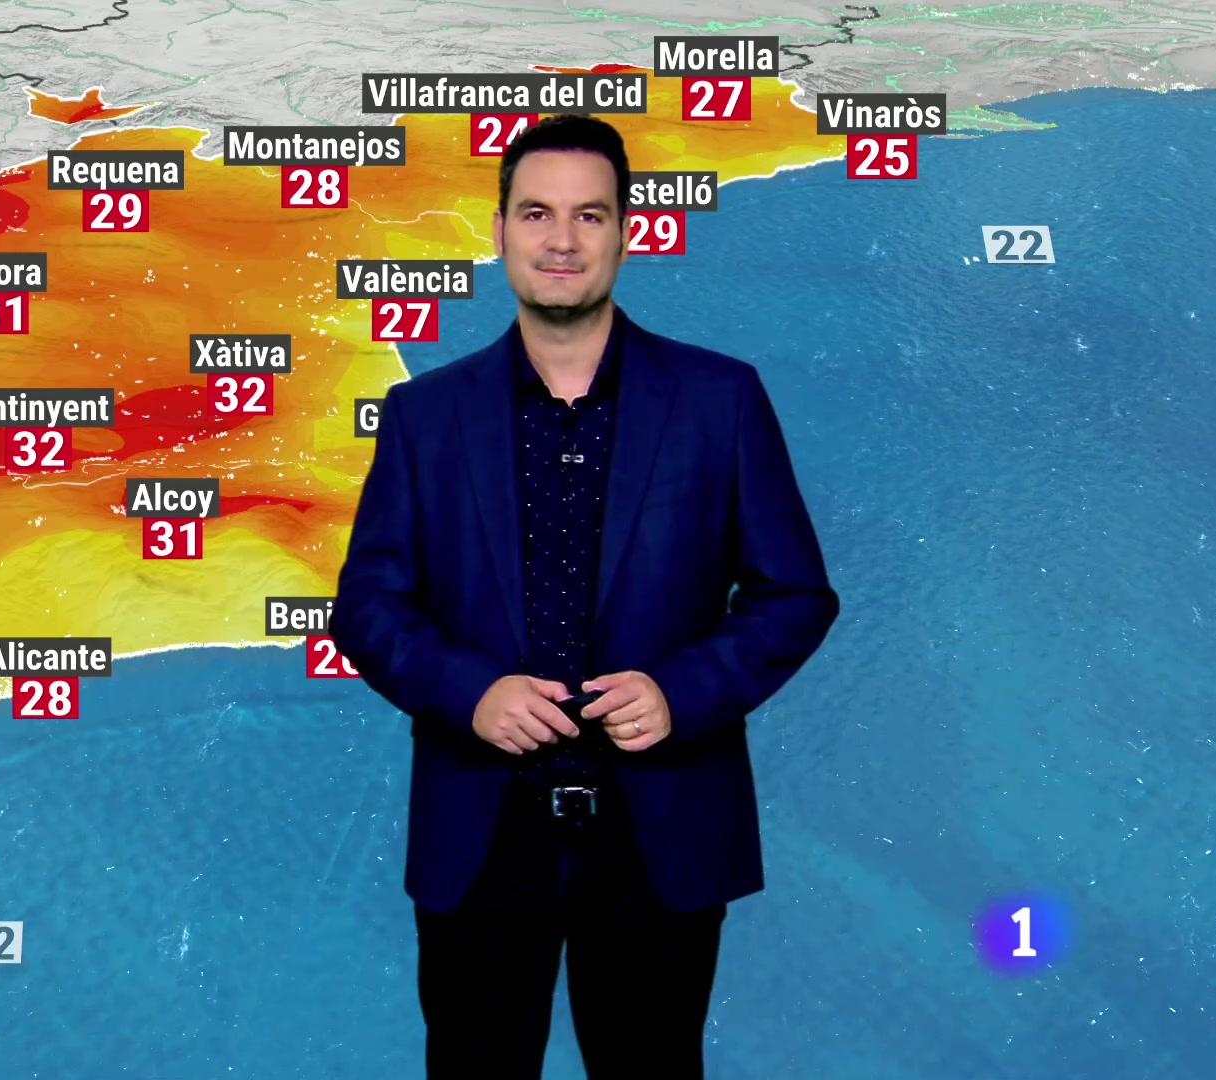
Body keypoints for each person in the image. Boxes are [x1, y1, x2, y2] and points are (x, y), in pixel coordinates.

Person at [328, 113, 840, 1079]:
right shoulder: (423, 415)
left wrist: (681, 691)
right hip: (482, 835)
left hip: (661, 834)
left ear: (626, 231)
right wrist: (471, 693)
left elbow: (796, 594)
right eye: (537, 213)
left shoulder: (721, 399)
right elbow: (367, 607)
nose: (561, 239)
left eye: (589, 215)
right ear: (499, 232)